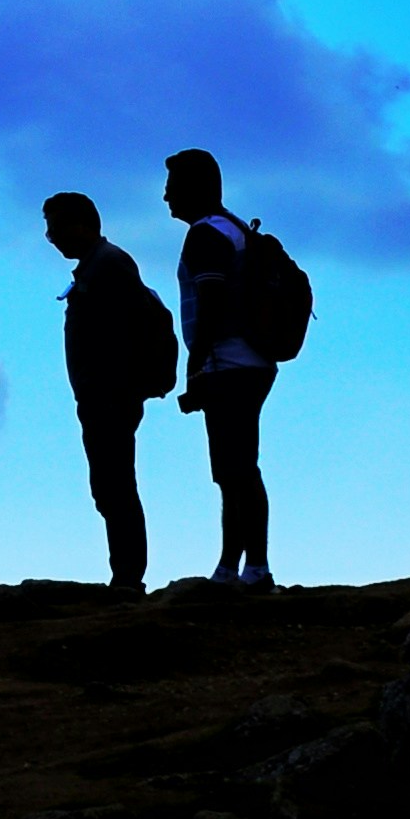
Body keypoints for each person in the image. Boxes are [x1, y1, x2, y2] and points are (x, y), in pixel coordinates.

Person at [43, 190, 178, 594]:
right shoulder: (99, 264)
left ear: (82, 224)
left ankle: (127, 578)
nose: (52, 239)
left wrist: (110, 389)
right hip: (103, 396)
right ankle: (125, 575)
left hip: (110, 397)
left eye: (56, 229)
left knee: (115, 485)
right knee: (109, 486)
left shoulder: (109, 265)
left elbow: (126, 332)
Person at [166, 147, 283, 591]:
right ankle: (234, 567)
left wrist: (195, 368)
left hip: (228, 364)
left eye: (172, 186)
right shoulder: (234, 229)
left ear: (194, 188)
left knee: (237, 470)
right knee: (234, 469)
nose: (166, 196)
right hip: (250, 361)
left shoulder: (205, 235)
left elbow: (211, 304)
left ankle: (253, 569)